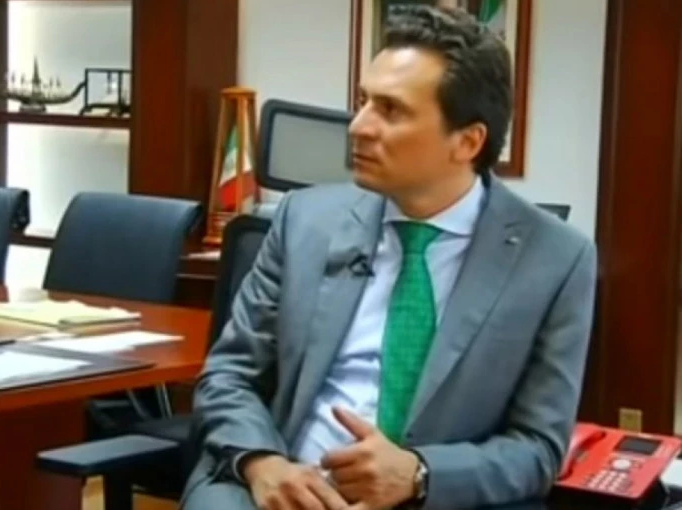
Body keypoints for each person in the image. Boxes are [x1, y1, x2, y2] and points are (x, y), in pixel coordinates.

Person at [181, 4, 597, 510]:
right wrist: (263, 463)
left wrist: (420, 474)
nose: (358, 126)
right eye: (362, 102)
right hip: (276, 484)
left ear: (467, 141)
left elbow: (537, 448)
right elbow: (229, 375)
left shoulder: (555, 260)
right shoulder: (304, 221)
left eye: (391, 110)